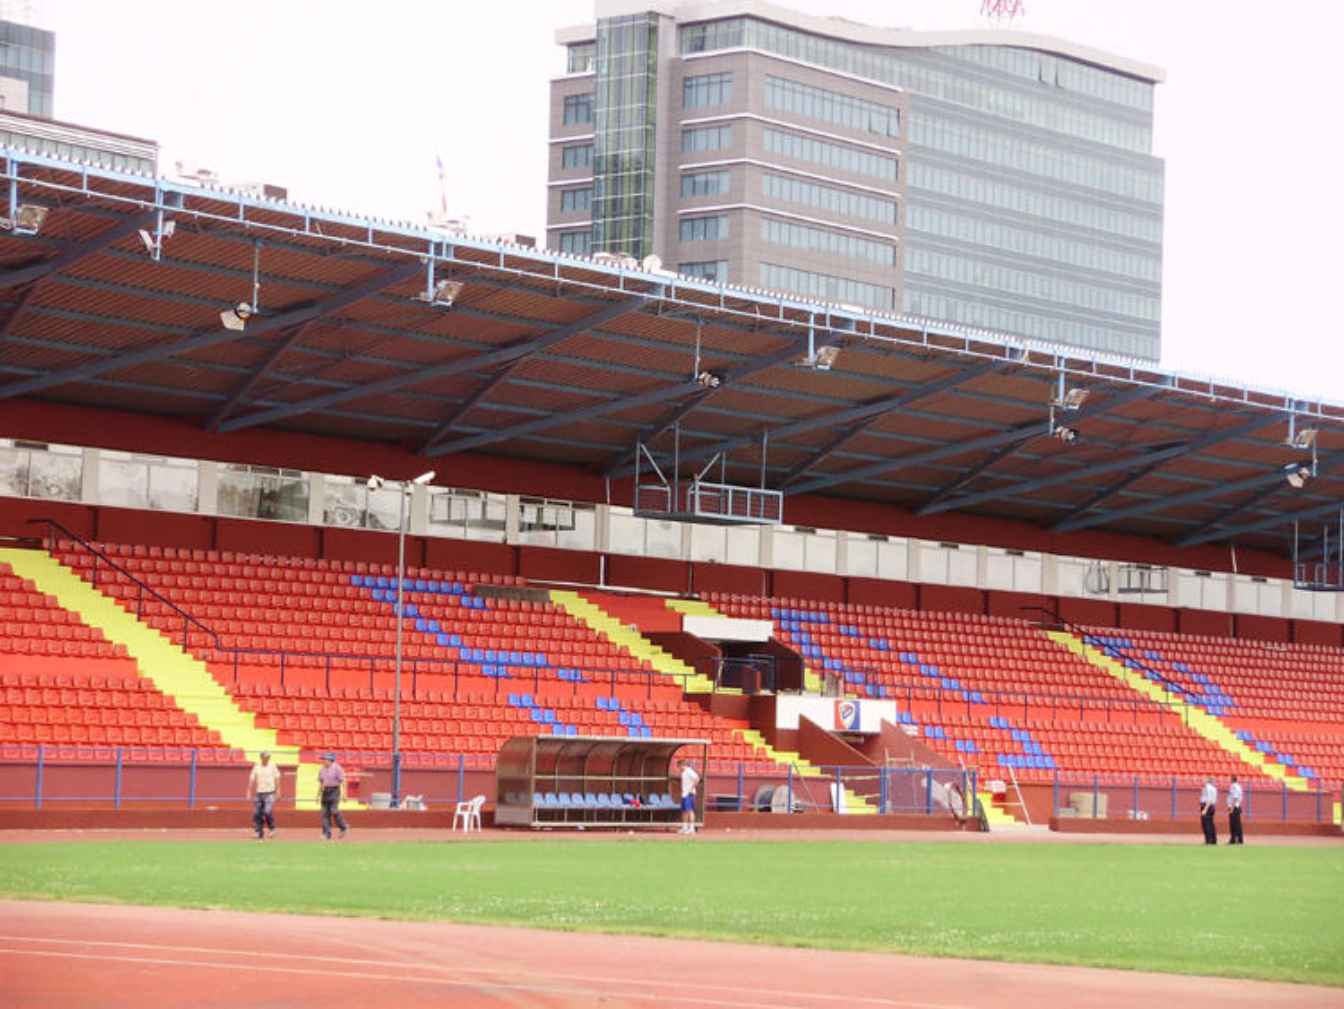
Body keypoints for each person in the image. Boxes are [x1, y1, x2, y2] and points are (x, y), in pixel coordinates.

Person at [247, 750, 282, 840]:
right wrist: (249, 791)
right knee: (257, 813)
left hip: (270, 792)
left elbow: (277, 777)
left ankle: (272, 828)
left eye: (268, 757)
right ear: (261, 757)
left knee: (267, 811)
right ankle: (258, 832)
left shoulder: (272, 765)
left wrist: (278, 791)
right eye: (265, 757)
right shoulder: (257, 766)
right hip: (259, 793)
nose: (267, 759)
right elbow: (252, 778)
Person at [317, 752, 349, 841]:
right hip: (325, 791)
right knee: (324, 813)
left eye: (324, 759)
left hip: (334, 791)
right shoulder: (321, 769)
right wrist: (318, 794)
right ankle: (326, 833)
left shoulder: (337, 768)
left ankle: (343, 826)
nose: (323, 761)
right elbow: (321, 782)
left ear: (330, 760)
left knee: (334, 810)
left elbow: (343, 781)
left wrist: (345, 794)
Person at [675, 758, 700, 835]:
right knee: (684, 811)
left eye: (678, 766)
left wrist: (691, 788)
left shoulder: (689, 771)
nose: (678, 769)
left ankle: (691, 828)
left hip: (689, 794)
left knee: (690, 810)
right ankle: (685, 827)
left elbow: (697, 779)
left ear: (682, 765)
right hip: (684, 794)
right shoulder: (683, 772)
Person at [1198, 777, 1217, 845]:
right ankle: (1213, 840)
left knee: (1206, 824)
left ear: (1207, 781)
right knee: (1211, 824)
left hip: (1207, 807)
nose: (1202, 782)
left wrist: (1205, 809)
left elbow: (1209, 799)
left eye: (1203, 780)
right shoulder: (1213, 788)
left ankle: (1208, 840)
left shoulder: (1207, 788)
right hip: (1211, 807)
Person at [1227, 775, 1244, 845]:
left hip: (1234, 807)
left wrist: (1231, 808)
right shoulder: (1239, 786)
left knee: (1233, 824)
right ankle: (1239, 839)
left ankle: (1234, 839)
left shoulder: (1233, 786)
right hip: (1237, 806)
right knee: (1238, 824)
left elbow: (1235, 797)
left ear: (1232, 779)